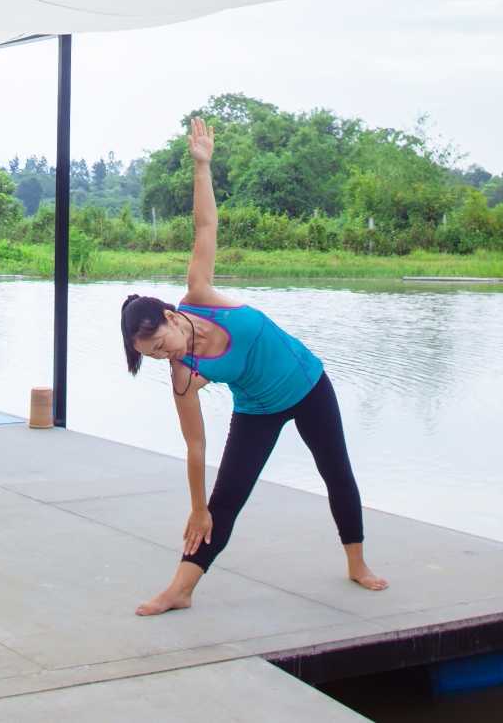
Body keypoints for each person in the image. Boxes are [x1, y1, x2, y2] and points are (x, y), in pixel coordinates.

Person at [117, 114, 385, 617]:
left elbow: (205, 225)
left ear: (172, 317)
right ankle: (180, 589)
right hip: (258, 408)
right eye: (153, 355)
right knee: (224, 501)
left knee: (337, 473)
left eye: (162, 342)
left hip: (308, 385)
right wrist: (197, 506)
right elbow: (195, 445)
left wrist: (202, 167)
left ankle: (357, 563)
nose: (165, 355)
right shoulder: (182, 375)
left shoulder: (200, 295)